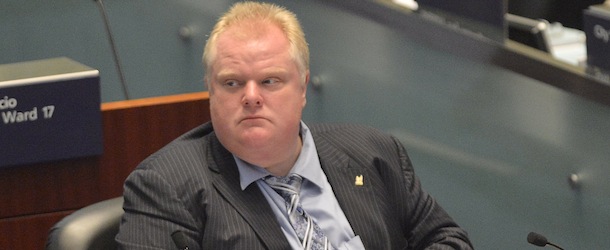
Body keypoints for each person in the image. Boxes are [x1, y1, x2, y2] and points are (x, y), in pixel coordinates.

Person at [116, 2, 473, 249]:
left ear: (302, 87)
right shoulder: (167, 186)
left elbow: (448, 240)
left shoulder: (373, 153)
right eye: (232, 83)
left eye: (270, 81)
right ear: (210, 91)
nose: (251, 97)